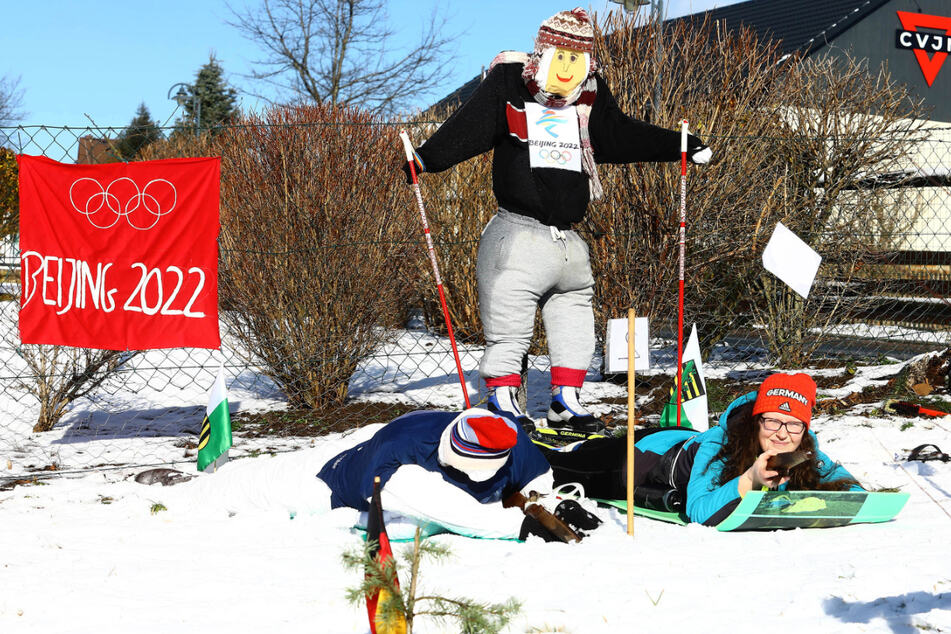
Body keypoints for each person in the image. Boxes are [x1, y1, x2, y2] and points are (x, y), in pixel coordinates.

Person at [402, 8, 712, 435]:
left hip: (569, 242)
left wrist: (679, 144)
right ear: (543, 54)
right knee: (509, 324)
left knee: (575, 319)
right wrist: (426, 158)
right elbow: (469, 126)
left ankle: (566, 400)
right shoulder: (510, 86)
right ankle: (501, 397)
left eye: (576, 59)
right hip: (516, 237)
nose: (567, 69)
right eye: (560, 57)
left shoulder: (589, 99)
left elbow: (619, 134)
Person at [541, 373, 864, 526]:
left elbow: (850, 489)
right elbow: (699, 511)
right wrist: (751, 478)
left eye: (793, 425)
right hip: (642, 460)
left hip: (680, 436)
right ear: (757, 421)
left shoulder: (803, 446)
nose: (782, 434)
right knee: (556, 467)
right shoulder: (720, 442)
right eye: (772, 422)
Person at [316, 407, 598, 540]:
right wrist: (523, 527)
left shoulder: (508, 435)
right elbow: (464, 516)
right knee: (417, 526)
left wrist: (553, 503)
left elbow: (539, 480)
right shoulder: (401, 463)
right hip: (327, 481)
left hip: (382, 440)